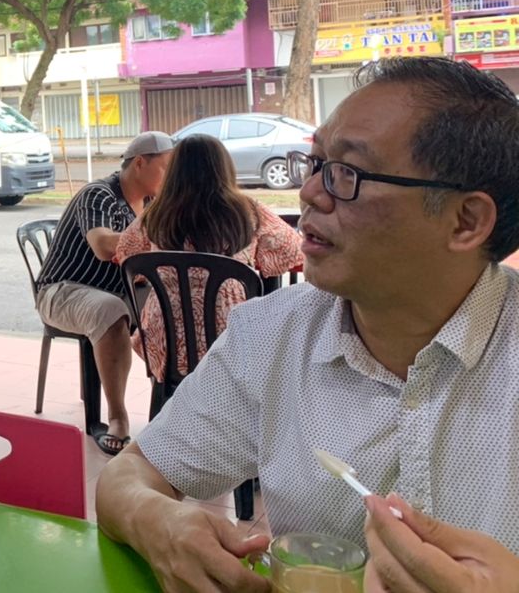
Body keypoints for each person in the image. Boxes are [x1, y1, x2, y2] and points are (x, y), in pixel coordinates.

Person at [96, 57, 519, 593]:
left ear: (466, 220)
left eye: (347, 173)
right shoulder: (268, 336)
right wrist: (158, 523)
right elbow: (123, 479)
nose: (310, 193)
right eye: (314, 163)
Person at [113, 134, 304, 383]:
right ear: (224, 168)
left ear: (174, 171)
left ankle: (169, 404)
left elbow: (125, 252)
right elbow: (293, 250)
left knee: (156, 320)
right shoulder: (248, 210)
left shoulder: (156, 214)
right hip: (233, 337)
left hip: (168, 342)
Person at [34, 130, 174, 455]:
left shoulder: (151, 202)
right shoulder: (99, 195)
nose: (171, 177)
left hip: (115, 293)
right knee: (110, 310)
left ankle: (171, 415)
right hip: (62, 291)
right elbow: (102, 246)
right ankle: (118, 419)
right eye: (166, 168)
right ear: (140, 163)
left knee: (174, 308)